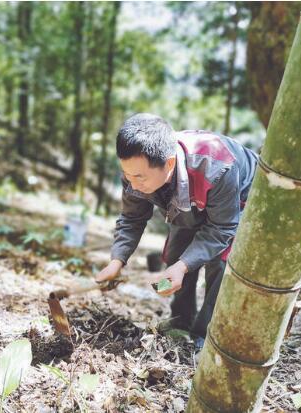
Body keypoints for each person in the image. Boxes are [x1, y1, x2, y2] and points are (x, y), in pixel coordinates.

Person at [95, 113, 258, 352]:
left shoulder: (218, 167)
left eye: (139, 177)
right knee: (175, 253)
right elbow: (132, 217)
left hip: (240, 197)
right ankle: (181, 320)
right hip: (189, 196)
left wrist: (184, 266)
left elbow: (222, 228)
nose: (133, 184)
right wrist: (117, 261)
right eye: (128, 175)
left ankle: (204, 334)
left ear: (169, 164)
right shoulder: (135, 171)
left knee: (220, 265)